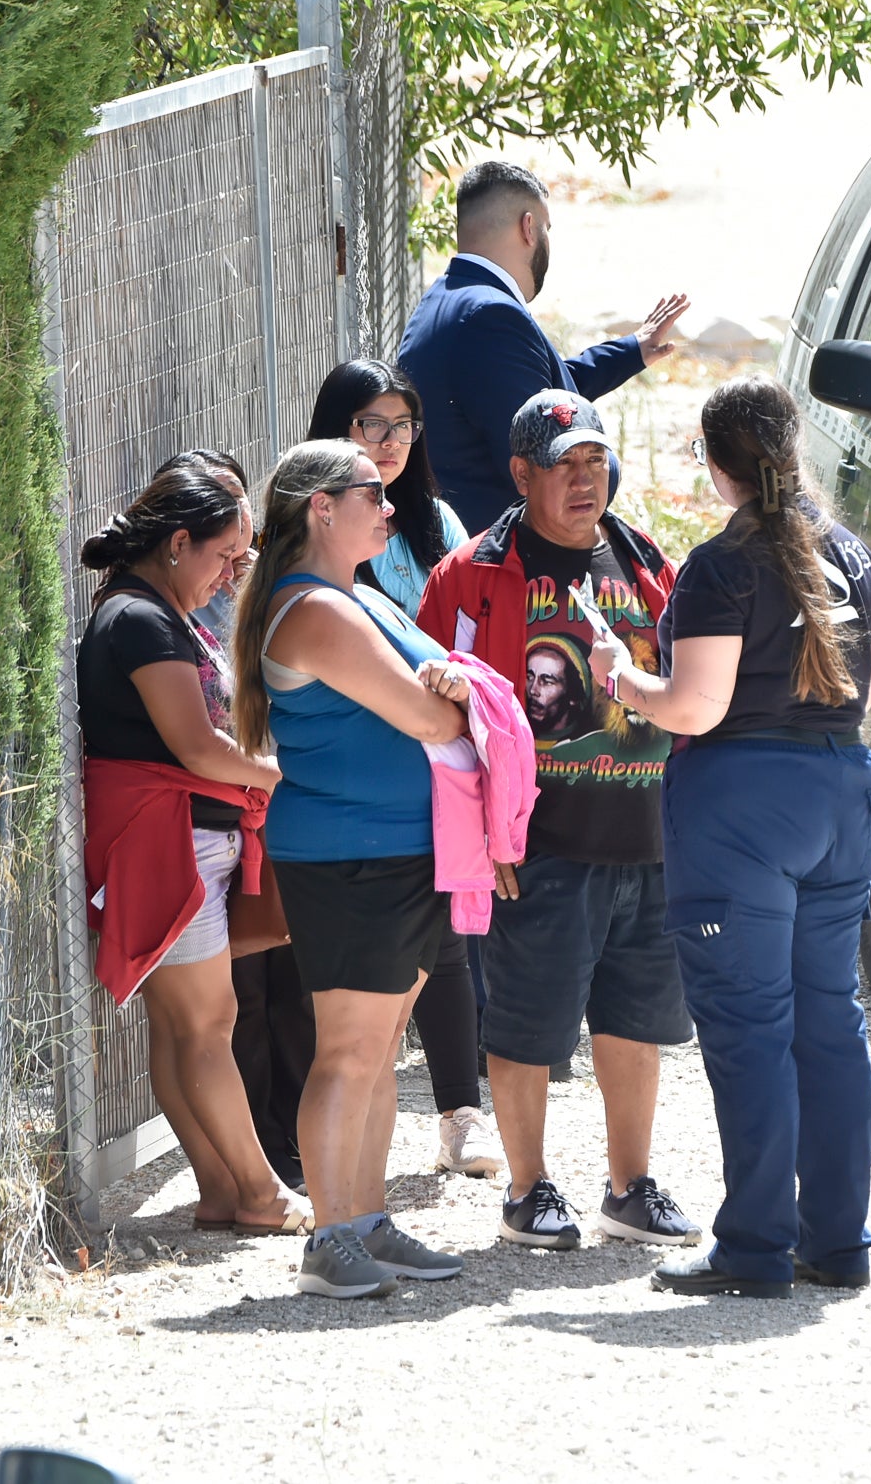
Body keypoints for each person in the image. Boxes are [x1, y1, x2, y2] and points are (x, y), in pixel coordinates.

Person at [586, 375, 871, 1297]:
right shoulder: (854, 555)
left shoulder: (723, 564)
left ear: (717, 465)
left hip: (746, 805)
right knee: (828, 1020)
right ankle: (837, 1241)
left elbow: (696, 707)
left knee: (752, 1030)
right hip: (842, 790)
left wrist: (619, 674)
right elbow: (862, 698)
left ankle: (754, 1247)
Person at [417, 389, 699, 1251]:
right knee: (527, 1026)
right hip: (537, 848)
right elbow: (436, 718)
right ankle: (527, 1189)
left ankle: (630, 1187)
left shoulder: (645, 560)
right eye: (563, 465)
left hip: (647, 840)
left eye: (594, 461)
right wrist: (481, 836)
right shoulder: (471, 575)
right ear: (520, 473)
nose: (584, 481)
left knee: (636, 1020)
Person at [231, 438, 474, 1299]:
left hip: (397, 851)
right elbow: (432, 719)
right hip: (351, 856)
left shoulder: (351, 597)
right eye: (374, 491)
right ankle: (329, 1237)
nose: (391, 505)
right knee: (349, 1051)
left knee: (375, 1050)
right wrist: (453, 700)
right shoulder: (317, 611)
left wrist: (454, 694)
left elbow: (447, 694)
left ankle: (366, 1221)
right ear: (321, 508)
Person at [76, 460, 307, 1238]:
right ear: (178, 543)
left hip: (176, 844)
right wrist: (287, 776)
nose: (231, 573)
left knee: (185, 1029)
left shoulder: (148, 609)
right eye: (224, 555)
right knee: (206, 1026)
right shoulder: (140, 619)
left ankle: (222, 1193)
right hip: (169, 847)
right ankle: (262, 1193)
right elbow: (198, 747)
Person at [306, 359, 502, 1183]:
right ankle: (337, 1193)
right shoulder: (312, 544)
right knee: (358, 1024)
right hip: (356, 779)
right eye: (371, 425)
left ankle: (459, 1116)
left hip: (436, 772)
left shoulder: (435, 522)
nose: (391, 443)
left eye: (404, 426)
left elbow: (466, 639)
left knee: (442, 948)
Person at [397, 159, 691, 531]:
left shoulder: (446, 297)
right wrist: (604, 466)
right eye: (546, 228)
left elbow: (541, 399)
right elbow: (547, 465)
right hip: (497, 557)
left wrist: (632, 351)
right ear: (528, 227)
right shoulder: (491, 317)